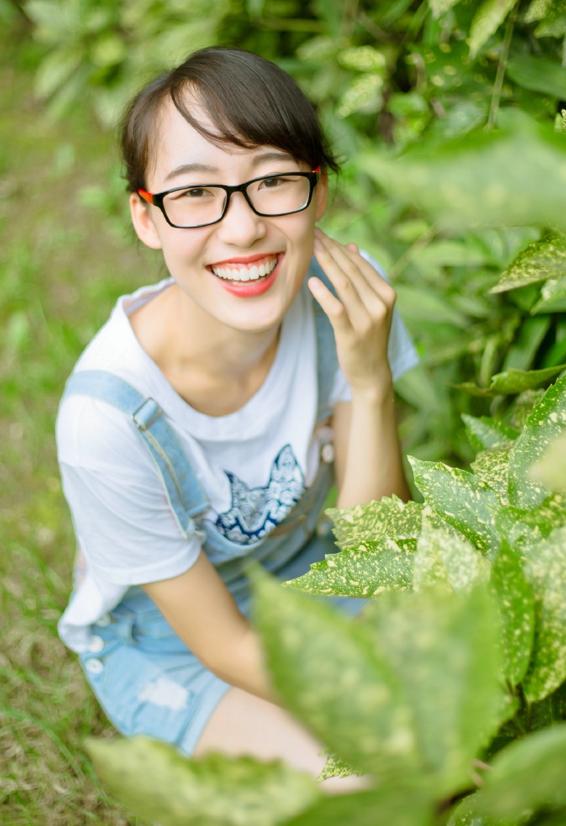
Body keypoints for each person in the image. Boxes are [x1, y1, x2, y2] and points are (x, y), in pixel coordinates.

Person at [56, 46, 418, 788]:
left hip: (315, 577)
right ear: (146, 218)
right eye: (195, 195)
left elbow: (374, 548)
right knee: (376, 784)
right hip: (175, 640)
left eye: (273, 181)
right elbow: (222, 643)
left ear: (317, 192)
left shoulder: (344, 305)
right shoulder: (108, 420)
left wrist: (370, 380)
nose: (244, 228)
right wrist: (378, 724)